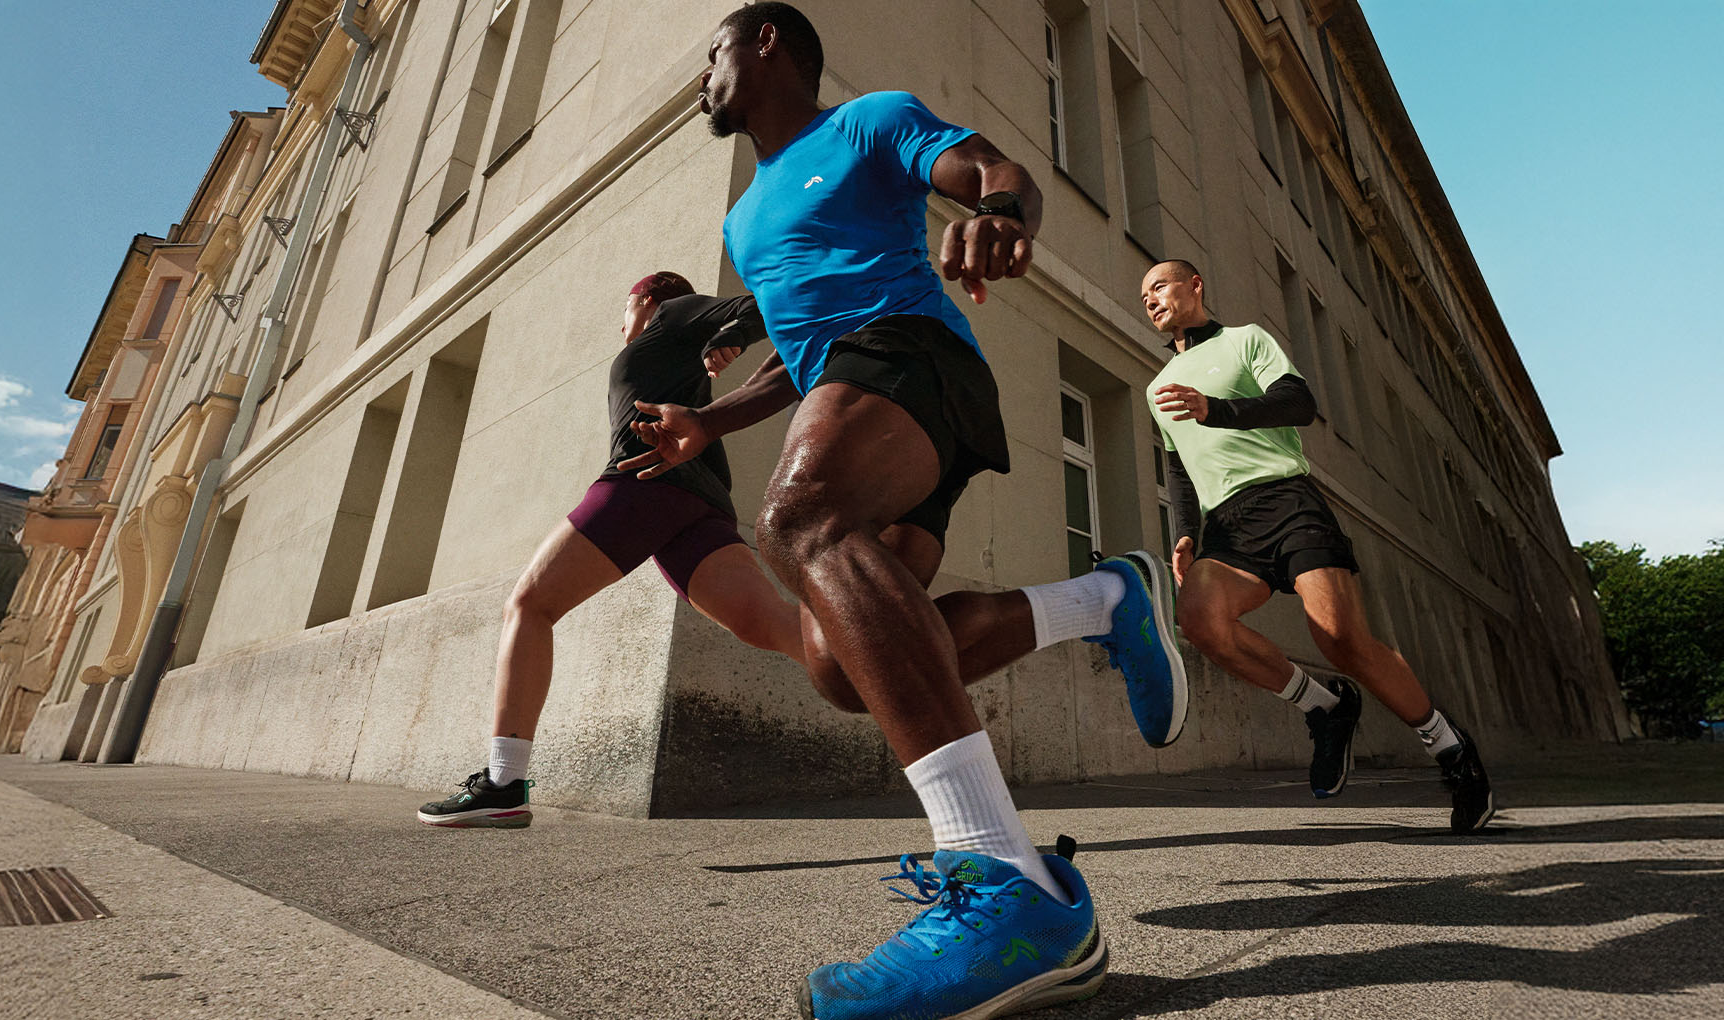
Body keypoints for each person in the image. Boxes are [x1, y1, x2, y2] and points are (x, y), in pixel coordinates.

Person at [617, 5, 1196, 1015]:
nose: (699, 73)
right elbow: (799, 356)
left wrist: (1006, 218)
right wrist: (710, 424)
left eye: (713, 50)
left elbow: (991, 172)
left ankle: (1003, 882)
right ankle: (1104, 601)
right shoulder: (742, 218)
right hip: (860, 388)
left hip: (917, 357)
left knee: (798, 518)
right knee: (847, 663)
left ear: (764, 44)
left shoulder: (869, 122)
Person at [416, 272, 806, 829]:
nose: (621, 322)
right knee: (773, 626)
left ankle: (503, 782)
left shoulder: (671, 315)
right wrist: (732, 335)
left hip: (644, 484)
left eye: (624, 308)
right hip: (698, 501)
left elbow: (770, 300)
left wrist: (737, 333)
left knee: (529, 604)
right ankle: (898, 672)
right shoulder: (675, 347)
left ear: (644, 301)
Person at [1138, 257, 1494, 833]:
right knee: (1201, 622)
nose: (1150, 299)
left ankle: (1451, 749)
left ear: (1195, 285)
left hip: (1286, 498)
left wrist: (1218, 410)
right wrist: (1184, 534)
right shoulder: (1157, 387)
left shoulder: (1245, 340)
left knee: (1341, 639)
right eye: (1144, 295)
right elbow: (1177, 466)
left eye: (1159, 286)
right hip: (1225, 525)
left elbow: (1299, 404)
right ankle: (1325, 708)